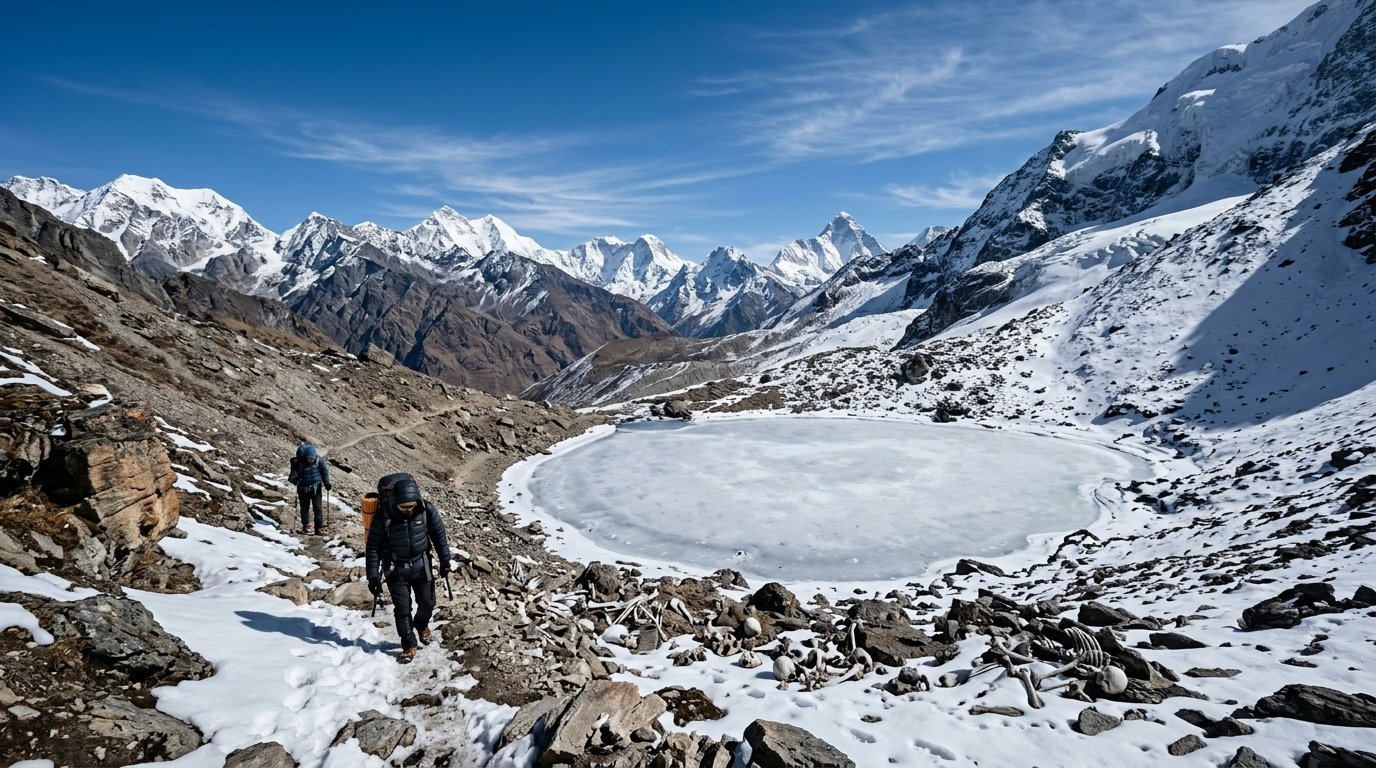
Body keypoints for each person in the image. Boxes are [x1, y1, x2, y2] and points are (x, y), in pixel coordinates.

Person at [365, 477, 452, 663]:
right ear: (395, 502)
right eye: (403, 507)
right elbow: (373, 548)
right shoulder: (383, 516)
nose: (408, 510)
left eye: (411, 506)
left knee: (428, 603)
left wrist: (445, 561)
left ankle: (421, 624)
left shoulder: (426, 510)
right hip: (396, 570)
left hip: (422, 565)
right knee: (403, 609)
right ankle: (408, 643)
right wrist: (372, 577)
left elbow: (439, 536)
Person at [288, 443, 332, 535]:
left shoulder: (319, 461)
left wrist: (327, 483)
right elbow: (292, 477)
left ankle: (318, 528)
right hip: (302, 489)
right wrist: (296, 480)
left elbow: (324, 472)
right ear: (305, 457)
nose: (311, 460)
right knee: (304, 508)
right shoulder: (298, 463)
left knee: (318, 508)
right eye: (309, 459)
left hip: (316, 488)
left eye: (312, 459)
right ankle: (306, 527)